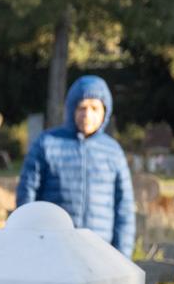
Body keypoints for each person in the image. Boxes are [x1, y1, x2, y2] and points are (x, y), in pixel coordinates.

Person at [17, 75, 135, 256]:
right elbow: (27, 196)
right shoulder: (47, 143)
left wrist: (122, 255)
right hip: (52, 248)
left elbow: (124, 207)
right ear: (71, 109)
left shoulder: (113, 151)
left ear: (105, 111)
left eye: (95, 108)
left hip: (99, 250)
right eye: (82, 107)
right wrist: (28, 242)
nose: (87, 115)